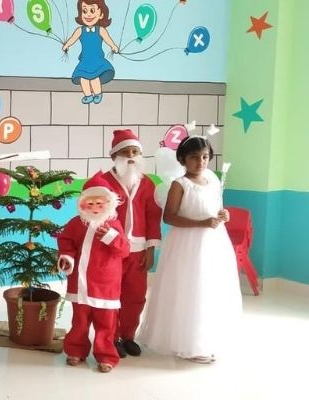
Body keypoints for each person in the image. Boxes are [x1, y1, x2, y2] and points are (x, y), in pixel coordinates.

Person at [139, 136, 242, 363]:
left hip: (213, 242)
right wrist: (201, 223)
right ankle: (188, 343)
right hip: (187, 244)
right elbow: (169, 217)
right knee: (190, 288)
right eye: (194, 157)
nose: (200, 162)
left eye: (204, 157)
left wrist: (224, 215)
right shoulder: (180, 184)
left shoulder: (212, 180)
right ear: (183, 159)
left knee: (209, 288)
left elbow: (216, 207)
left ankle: (206, 339)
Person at [57, 172, 129, 373]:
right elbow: (66, 242)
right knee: (79, 321)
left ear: (109, 204)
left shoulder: (113, 225)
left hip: (105, 285)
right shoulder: (76, 223)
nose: (95, 208)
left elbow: (124, 250)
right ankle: (76, 350)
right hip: (80, 283)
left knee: (106, 324)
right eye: (90, 204)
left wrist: (111, 237)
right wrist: (67, 257)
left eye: (99, 203)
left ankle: (106, 356)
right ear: (82, 204)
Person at [101, 129, 162, 358]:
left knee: (135, 295)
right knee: (111, 295)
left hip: (138, 250)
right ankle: (112, 337)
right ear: (114, 156)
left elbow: (153, 218)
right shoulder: (104, 183)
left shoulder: (147, 184)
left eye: (135, 152)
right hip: (111, 250)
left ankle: (128, 336)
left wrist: (150, 249)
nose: (130, 156)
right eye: (125, 152)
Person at [61, 0, 119, 104]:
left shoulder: (100, 30)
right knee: (83, 78)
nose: (88, 14)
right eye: (84, 11)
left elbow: (108, 40)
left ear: (101, 14)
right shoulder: (80, 30)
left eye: (92, 10)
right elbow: (72, 39)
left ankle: (98, 93)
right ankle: (88, 95)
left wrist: (113, 46)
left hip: (97, 59)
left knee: (94, 77)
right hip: (85, 60)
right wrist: (66, 45)